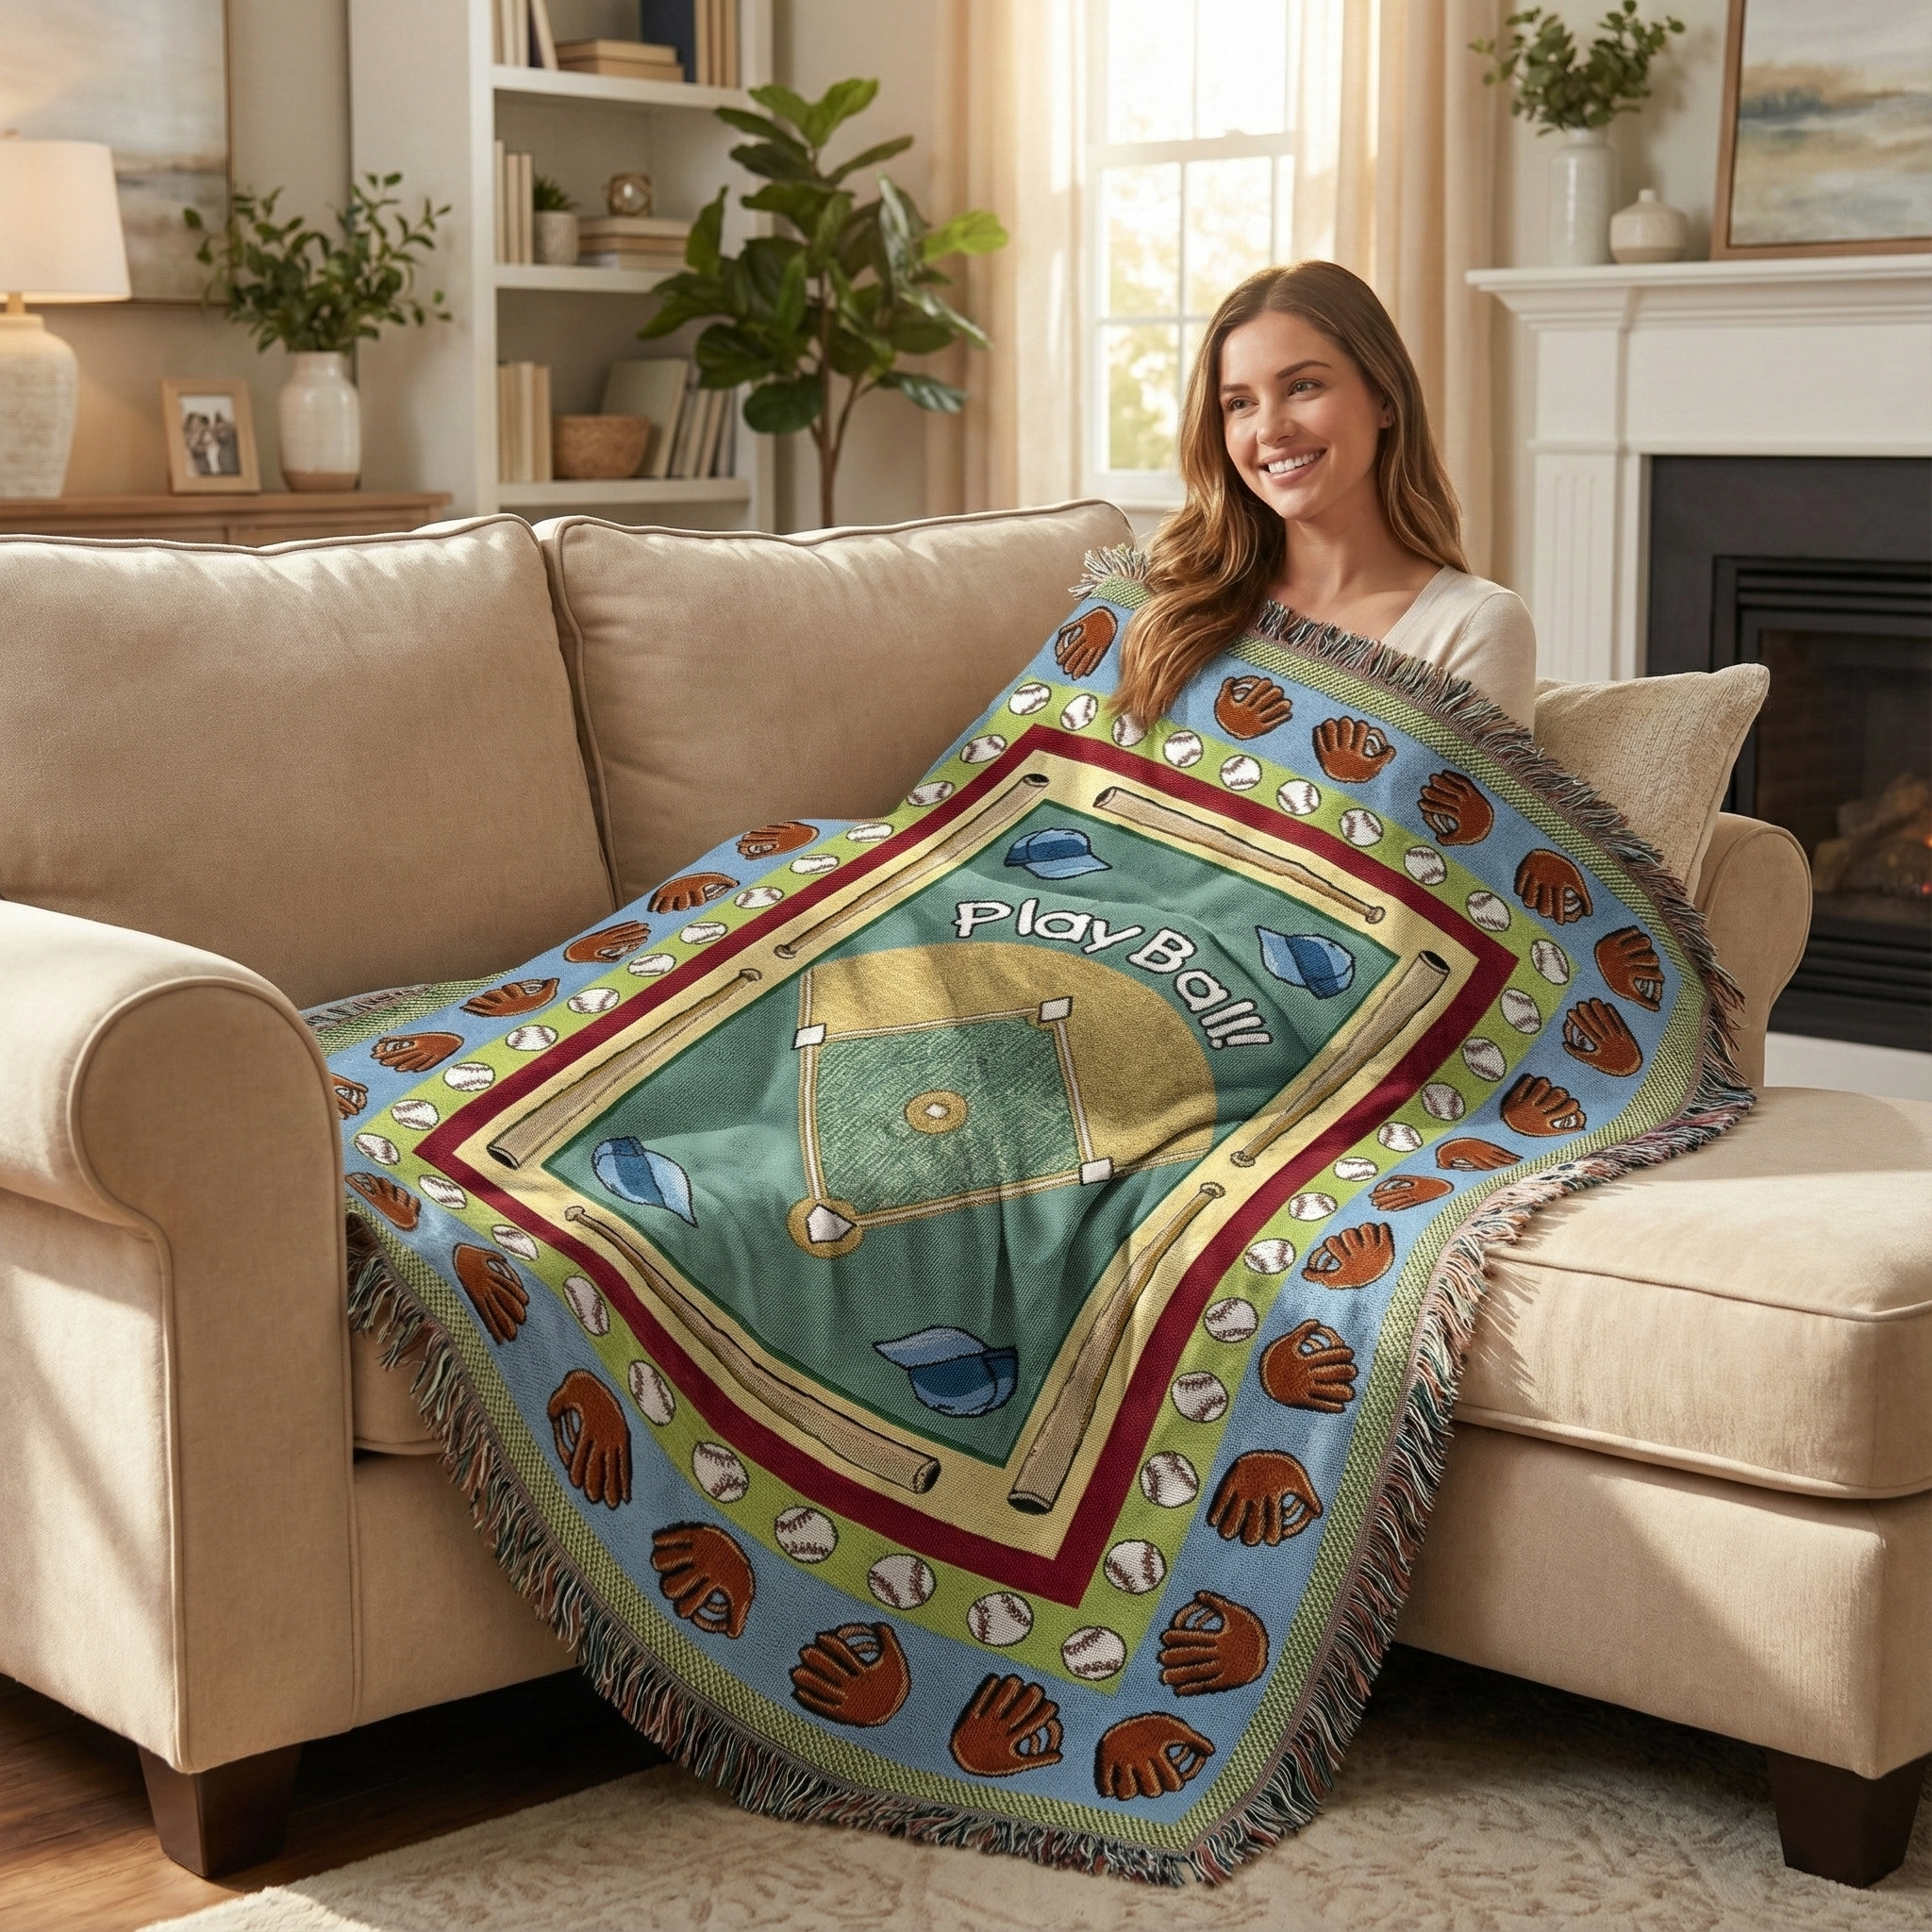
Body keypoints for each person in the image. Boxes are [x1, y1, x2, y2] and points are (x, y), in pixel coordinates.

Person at [1115, 260, 1537, 732]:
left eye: (1302, 386)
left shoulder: (1471, 626)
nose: (1271, 429)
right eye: (1240, 403)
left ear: (1384, 397)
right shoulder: (1171, 589)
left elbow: (1466, 807)